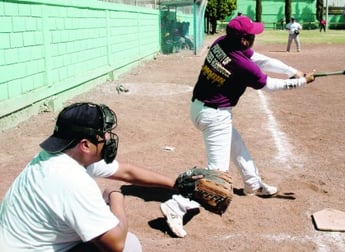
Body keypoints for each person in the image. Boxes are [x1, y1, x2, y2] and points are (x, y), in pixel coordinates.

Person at [160, 15, 316, 238]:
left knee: (236, 145)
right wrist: (301, 82)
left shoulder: (221, 42)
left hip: (199, 108)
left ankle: (253, 184)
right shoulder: (242, 65)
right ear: (244, 40)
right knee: (217, 175)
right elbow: (268, 85)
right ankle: (176, 206)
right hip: (215, 116)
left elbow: (260, 59)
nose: (254, 37)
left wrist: (291, 70)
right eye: (252, 34)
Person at [0, 102, 189, 251]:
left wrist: (177, 184)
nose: (107, 138)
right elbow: (115, 244)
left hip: (17, 244)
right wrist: (116, 197)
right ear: (85, 145)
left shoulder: (57, 155)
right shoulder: (72, 180)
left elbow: (126, 171)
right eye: (103, 134)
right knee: (129, 245)